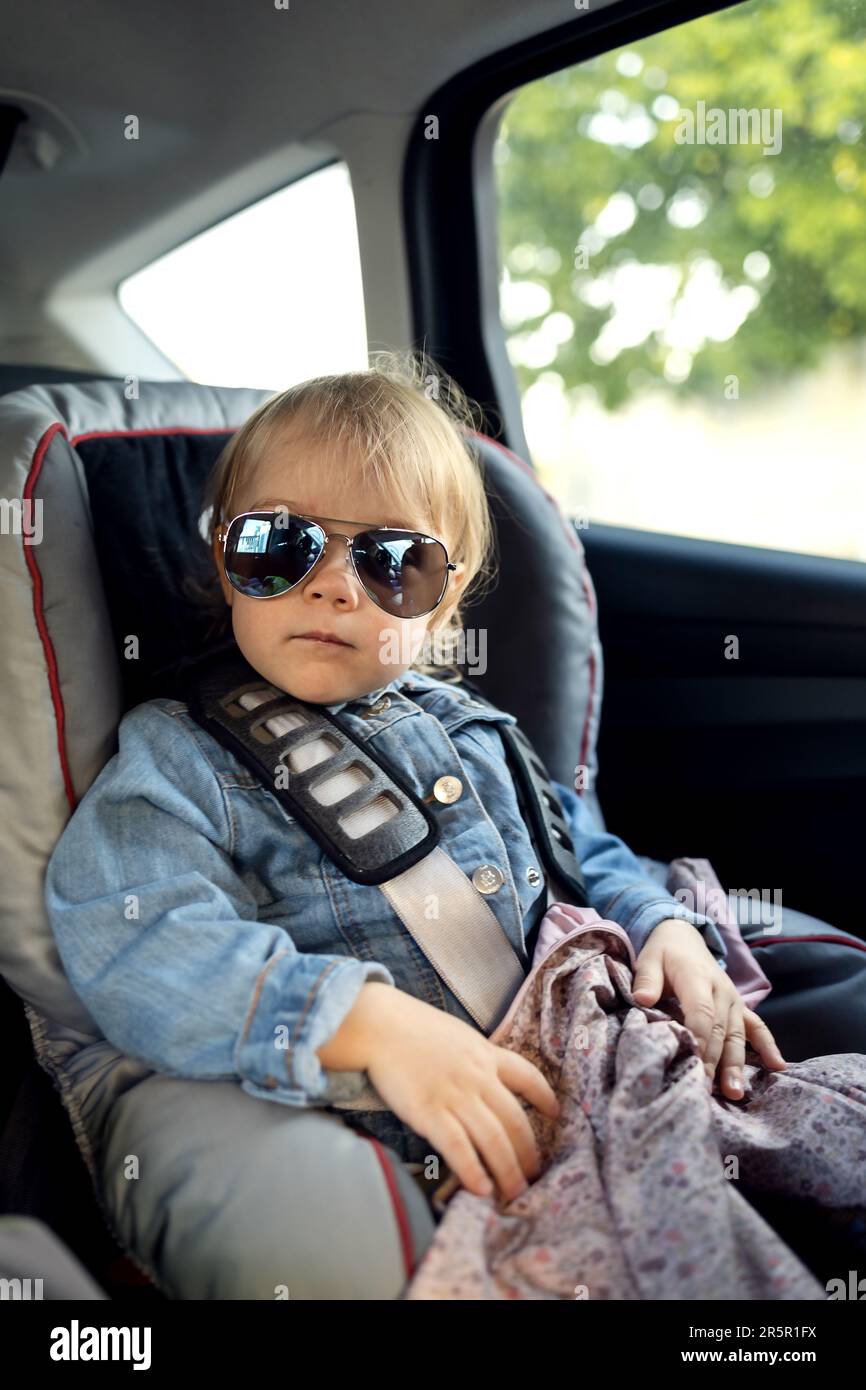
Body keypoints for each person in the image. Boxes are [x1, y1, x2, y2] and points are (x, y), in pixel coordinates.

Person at [43, 351, 787, 1300]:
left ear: (447, 591)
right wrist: (363, 1024)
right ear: (224, 556)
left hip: (611, 1067)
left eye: (392, 561)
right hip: (413, 1126)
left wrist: (665, 925)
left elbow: (577, 852)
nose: (335, 587)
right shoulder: (182, 760)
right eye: (280, 546)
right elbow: (135, 934)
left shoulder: (481, 735)